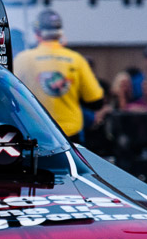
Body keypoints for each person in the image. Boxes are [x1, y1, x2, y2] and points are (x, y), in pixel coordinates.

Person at [14, 9, 104, 143]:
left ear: (37, 32)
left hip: (33, 132)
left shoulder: (23, 59)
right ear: (60, 32)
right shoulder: (76, 59)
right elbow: (96, 101)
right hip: (70, 133)